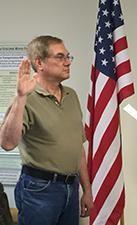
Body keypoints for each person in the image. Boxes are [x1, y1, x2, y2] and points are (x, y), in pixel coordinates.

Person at [0, 35, 94, 225]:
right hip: (39, 189)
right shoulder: (26, 98)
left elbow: (78, 147)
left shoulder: (71, 95)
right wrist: (20, 97)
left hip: (71, 187)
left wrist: (87, 189)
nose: (68, 62)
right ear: (39, 63)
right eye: (60, 57)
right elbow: (7, 143)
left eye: (68, 57)